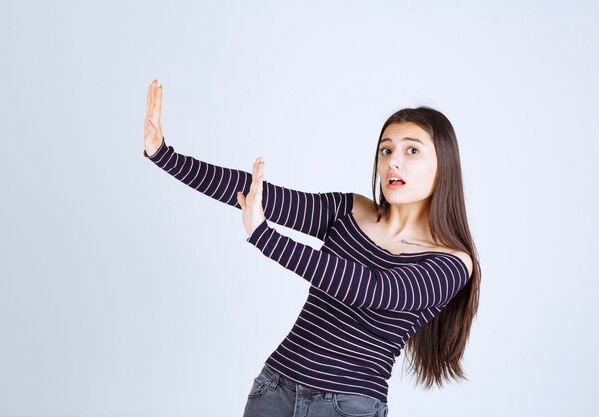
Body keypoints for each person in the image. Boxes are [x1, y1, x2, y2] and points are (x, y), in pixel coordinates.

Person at [143, 79, 481, 417]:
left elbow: (375, 291)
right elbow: (257, 194)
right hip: (274, 389)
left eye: (412, 150)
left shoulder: (451, 262)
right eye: (386, 149)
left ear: (443, 165)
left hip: (347, 407)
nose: (394, 161)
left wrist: (265, 238)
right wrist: (163, 154)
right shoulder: (350, 210)